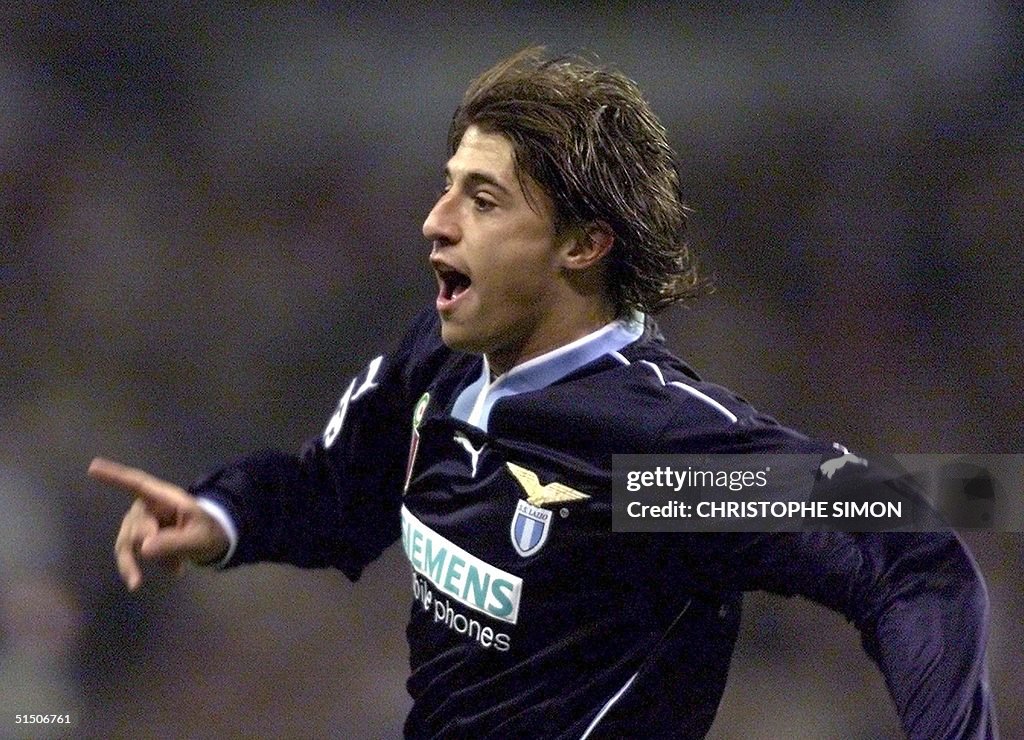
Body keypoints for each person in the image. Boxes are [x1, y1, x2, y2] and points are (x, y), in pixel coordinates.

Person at [89, 47, 996, 738]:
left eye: (482, 200)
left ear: (582, 245)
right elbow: (338, 493)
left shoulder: (651, 454)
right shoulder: (441, 363)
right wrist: (222, 517)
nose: (434, 221)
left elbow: (905, 549)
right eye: (448, 188)